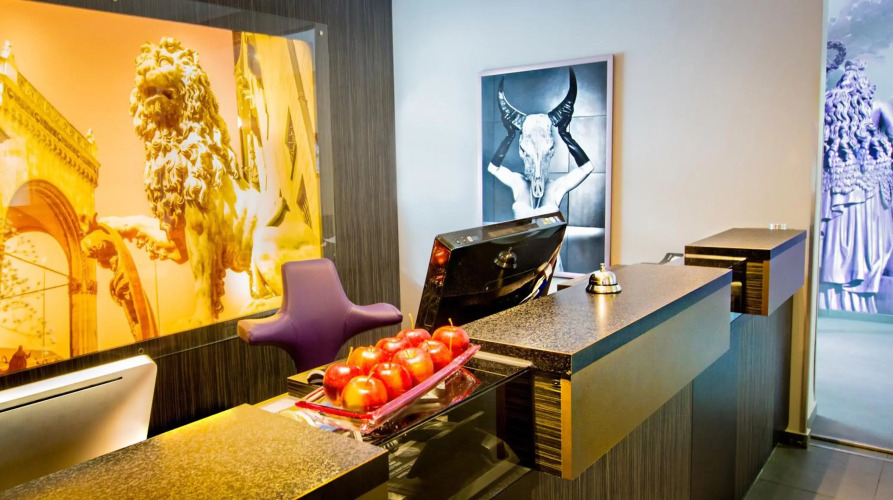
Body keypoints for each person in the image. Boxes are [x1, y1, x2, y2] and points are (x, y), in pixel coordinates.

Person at [819, 59, 893, 312]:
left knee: (840, 243)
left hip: (836, 191)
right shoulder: (878, 106)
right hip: (867, 189)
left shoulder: (830, 104)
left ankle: (832, 301)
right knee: (863, 243)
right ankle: (853, 301)